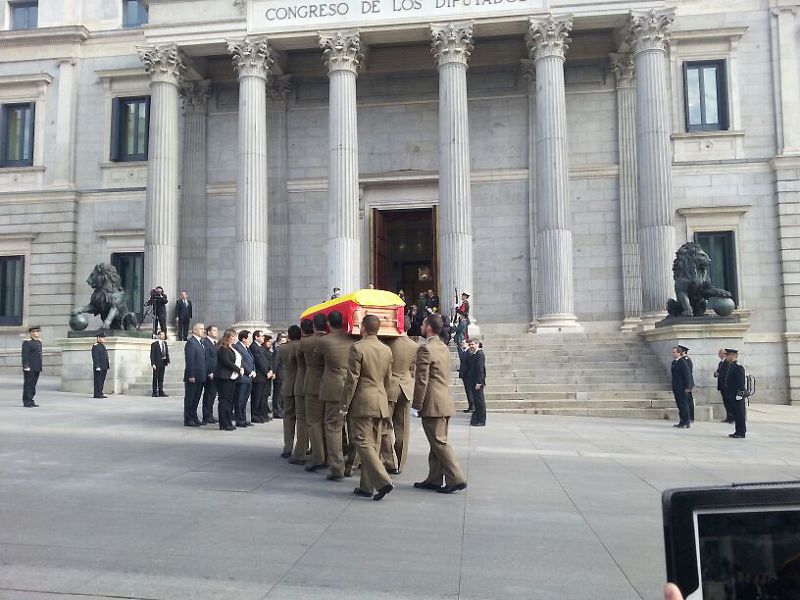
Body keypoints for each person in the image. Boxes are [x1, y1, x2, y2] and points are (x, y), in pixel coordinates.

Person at [340, 314, 395, 501]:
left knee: (362, 442)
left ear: (363, 328)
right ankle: (366, 486)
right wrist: (384, 400)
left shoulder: (358, 348)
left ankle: (382, 481)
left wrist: (344, 405)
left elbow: (351, 380)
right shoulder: (386, 349)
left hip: (362, 401)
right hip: (379, 400)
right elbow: (388, 379)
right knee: (373, 445)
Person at [412, 314, 468, 494]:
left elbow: (422, 380)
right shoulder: (443, 347)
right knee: (436, 441)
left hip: (432, 402)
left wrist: (416, 405)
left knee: (439, 442)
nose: (420, 326)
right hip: (443, 399)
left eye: (422, 323)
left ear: (428, 327)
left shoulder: (425, 349)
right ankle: (434, 478)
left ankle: (456, 478)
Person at [318, 310, 356, 481]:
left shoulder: (325, 341)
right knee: (353, 426)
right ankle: (353, 463)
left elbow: (316, 359)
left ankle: (336, 467)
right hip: (352, 386)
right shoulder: (353, 339)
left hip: (333, 387)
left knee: (333, 426)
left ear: (328, 323)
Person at [384, 318, 417, 474]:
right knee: (403, 428)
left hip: (390, 386)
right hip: (406, 386)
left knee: (385, 426)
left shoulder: (387, 343)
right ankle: (400, 463)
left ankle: (390, 461)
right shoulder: (414, 346)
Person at [302, 313, 328, 472]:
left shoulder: (306, 342)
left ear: (313, 326)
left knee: (314, 422)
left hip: (312, 384)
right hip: (330, 385)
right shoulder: (332, 340)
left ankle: (318, 456)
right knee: (329, 424)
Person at [290, 319, 313, 465]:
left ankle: (300, 452)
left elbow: (296, 361)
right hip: (321, 385)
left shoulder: (303, 344)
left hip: (303, 384)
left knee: (303, 419)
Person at [278, 326, 301, 458]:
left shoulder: (282, 348)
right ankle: (302, 446)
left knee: (288, 417)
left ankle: (288, 447)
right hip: (302, 385)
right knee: (303, 419)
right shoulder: (303, 347)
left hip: (288, 384)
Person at [214, 329, 243, 431]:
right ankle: (224, 423)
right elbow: (227, 362)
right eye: (232, 336)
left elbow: (238, 360)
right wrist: (238, 370)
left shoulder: (233, 348)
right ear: (227, 337)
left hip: (232, 378)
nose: (234, 338)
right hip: (223, 377)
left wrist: (241, 368)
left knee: (229, 401)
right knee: (224, 401)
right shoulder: (223, 349)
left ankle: (228, 422)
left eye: (235, 336)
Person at [183, 323, 207, 426]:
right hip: (193, 376)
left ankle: (194, 416)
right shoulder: (191, 342)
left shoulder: (200, 342)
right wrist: (191, 375)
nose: (203, 331)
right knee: (190, 398)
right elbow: (190, 360)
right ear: (194, 330)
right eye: (201, 329)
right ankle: (188, 418)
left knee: (196, 398)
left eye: (203, 329)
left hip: (201, 376)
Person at [722, 348, 747, 438]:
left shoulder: (738, 367)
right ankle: (737, 431)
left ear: (733, 356)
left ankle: (741, 432)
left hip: (737, 395)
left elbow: (741, 383)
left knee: (740, 414)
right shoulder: (730, 366)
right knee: (736, 414)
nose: (726, 356)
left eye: (728, 355)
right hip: (731, 394)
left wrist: (739, 395)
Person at [233, 330, 256, 428]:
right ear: (244, 338)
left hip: (249, 378)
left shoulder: (247, 348)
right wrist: (249, 371)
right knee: (239, 400)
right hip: (242, 378)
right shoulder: (238, 347)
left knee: (245, 400)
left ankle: (243, 418)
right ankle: (239, 419)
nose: (251, 339)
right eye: (249, 337)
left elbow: (252, 360)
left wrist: (253, 370)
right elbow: (241, 362)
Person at [250, 330, 271, 424]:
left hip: (265, 375)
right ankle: (255, 415)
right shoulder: (253, 347)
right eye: (261, 336)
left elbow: (267, 360)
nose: (263, 338)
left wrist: (270, 370)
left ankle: (261, 414)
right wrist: (266, 372)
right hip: (259, 376)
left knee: (262, 397)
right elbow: (258, 361)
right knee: (257, 397)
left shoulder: (261, 347)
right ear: (256, 337)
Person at [670, 346, 693, 429]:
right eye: (672, 352)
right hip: (676, 387)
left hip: (683, 387)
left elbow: (687, 375)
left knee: (684, 404)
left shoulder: (683, 362)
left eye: (674, 352)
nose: (673, 354)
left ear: (679, 353)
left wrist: (688, 386)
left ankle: (686, 421)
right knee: (679, 405)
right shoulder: (674, 362)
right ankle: (682, 421)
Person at [201, 325, 219, 425]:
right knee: (208, 395)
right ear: (208, 332)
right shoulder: (205, 343)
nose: (216, 332)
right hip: (210, 374)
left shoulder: (215, 343)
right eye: (214, 330)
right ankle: (206, 416)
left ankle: (210, 415)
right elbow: (206, 359)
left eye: (216, 330)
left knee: (212, 396)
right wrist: (210, 372)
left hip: (216, 373)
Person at [21, 325, 43, 407]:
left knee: (33, 385)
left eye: (38, 331)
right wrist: (26, 366)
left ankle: (31, 399)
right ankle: (27, 401)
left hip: (36, 367)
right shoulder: (27, 342)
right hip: (29, 368)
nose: (37, 333)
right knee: (28, 384)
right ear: (31, 333)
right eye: (35, 332)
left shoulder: (39, 342)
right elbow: (25, 355)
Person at [467, 340, 486, 427]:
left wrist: (479, 382)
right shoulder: (475, 354)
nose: (471, 346)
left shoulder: (480, 354)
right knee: (476, 401)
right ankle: (476, 418)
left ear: (477, 344)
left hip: (477, 381)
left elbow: (480, 369)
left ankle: (481, 420)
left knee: (479, 401)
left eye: (473, 344)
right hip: (473, 380)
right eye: (470, 344)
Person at [713, 348, 733, 423]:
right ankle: (728, 417)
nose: (718, 354)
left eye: (720, 353)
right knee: (726, 402)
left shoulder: (727, 362)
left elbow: (726, 374)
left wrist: (719, 374)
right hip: (722, 386)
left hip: (726, 386)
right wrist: (716, 374)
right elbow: (719, 371)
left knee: (729, 402)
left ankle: (731, 417)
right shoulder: (721, 362)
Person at [150, 330, 170, 397]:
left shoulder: (165, 343)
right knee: (155, 378)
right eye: (161, 335)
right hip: (157, 363)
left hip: (163, 362)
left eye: (163, 335)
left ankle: (161, 391)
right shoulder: (154, 344)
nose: (163, 336)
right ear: (158, 336)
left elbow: (166, 353)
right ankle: (154, 392)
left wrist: (167, 360)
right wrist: (153, 363)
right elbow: (152, 354)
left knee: (161, 378)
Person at [679, 345, 695, 423]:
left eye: (680, 350)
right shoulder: (681, 360)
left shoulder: (686, 360)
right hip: (684, 384)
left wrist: (688, 385)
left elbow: (687, 373)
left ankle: (691, 417)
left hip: (687, 384)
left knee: (688, 401)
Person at [91, 332, 110, 399]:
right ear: (98, 338)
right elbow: (95, 357)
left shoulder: (102, 345)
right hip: (99, 367)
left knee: (102, 380)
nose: (104, 339)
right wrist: (97, 366)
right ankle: (97, 394)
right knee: (98, 380)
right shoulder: (95, 346)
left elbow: (105, 356)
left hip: (104, 366)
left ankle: (100, 393)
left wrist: (107, 366)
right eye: (102, 338)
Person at [261, 334, 275, 421]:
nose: (270, 343)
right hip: (264, 375)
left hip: (269, 374)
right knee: (263, 396)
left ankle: (265, 413)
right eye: (268, 341)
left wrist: (271, 371)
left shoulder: (269, 351)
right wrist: (268, 372)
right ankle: (263, 413)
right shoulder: (263, 351)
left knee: (266, 395)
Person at [457, 339, 473, 413]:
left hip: (468, 375)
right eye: (462, 343)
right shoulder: (464, 351)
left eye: (464, 343)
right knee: (467, 391)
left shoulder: (469, 352)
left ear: (467, 344)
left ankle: (472, 406)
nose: (462, 344)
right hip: (465, 374)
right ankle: (471, 406)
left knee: (469, 391)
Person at [271, 333, 285, 419]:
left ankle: (281, 410)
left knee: (282, 394)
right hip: (279, 374)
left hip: (284, 375)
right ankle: (276, 411)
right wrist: (274, 372)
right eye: (283, 341)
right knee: (278, 394)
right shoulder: (277, 350)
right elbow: (275, 363)